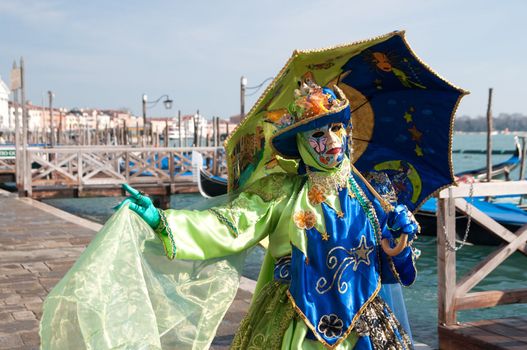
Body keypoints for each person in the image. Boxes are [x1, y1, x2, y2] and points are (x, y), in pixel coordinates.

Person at [40, 80, 419, 350]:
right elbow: (225, 224)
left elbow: (394, 269)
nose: (332, 142)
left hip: (366, 327)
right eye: (318, 135)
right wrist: (161, 220)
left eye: (337, 128)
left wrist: (397, 246)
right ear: (301, 145)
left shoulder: (373, 197)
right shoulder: (280, 193)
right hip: (296, 325)